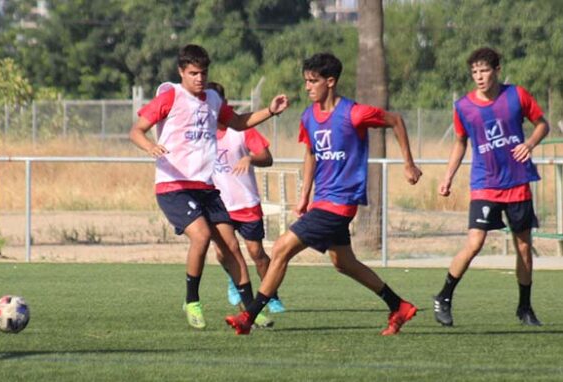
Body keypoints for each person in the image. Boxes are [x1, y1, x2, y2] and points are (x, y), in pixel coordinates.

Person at [225, 52, 423, 336]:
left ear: (330, 82)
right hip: (322, 201)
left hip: (341, 203)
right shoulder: (309, 116)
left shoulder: (354, 113)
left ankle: (249, 316)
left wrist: (408, 163)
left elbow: (396, 121)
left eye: (313, 81)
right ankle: (399, 306)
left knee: (281, 248)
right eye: (306, 80)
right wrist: (305, 194)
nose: (307, 86)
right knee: (343, 263)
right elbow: (310, 153)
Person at [129, 44, 288, 330]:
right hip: (173, 185)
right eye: (193, 73)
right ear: (181, 72)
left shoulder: (213, 98)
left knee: (230, 246)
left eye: (203, 72)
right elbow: (136, 130)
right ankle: (192, 300)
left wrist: (270, 111)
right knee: (201, 236)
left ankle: (251, 310)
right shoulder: (171, 97)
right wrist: (150, 146)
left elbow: (238, 122)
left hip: (205, 186)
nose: (199, 78)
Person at [432, 47, 549, 327]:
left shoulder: (516, 95)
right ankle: (444, 297)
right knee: (475, 243)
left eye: (484, 70)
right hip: (485, 183)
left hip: (518, 182)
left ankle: (524, 307)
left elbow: (542, 124)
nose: (479, 77)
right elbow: (460, 142)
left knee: (523, 248)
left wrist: (529, 144)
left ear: (497, 70)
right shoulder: (464, 107)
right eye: (474, 72)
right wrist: (448, 176)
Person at [207, 82, 286, 314]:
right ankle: (235, 280)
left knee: (257, 254)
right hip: (219, 205)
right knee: (223, 252)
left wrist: (250, 158)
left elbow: (266, 157)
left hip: (246, 203)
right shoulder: (202, 132)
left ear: (224, 103)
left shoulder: (241, 128)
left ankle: (271, 295)